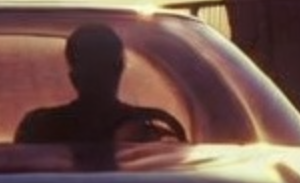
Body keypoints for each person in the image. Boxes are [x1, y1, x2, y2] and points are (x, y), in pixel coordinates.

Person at [13, 22, 187, 143]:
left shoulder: (39, 126)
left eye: (103, 64)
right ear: (120, 69)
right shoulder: (156, 125)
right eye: (92, 64)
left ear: (73, 77)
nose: (99, 74)